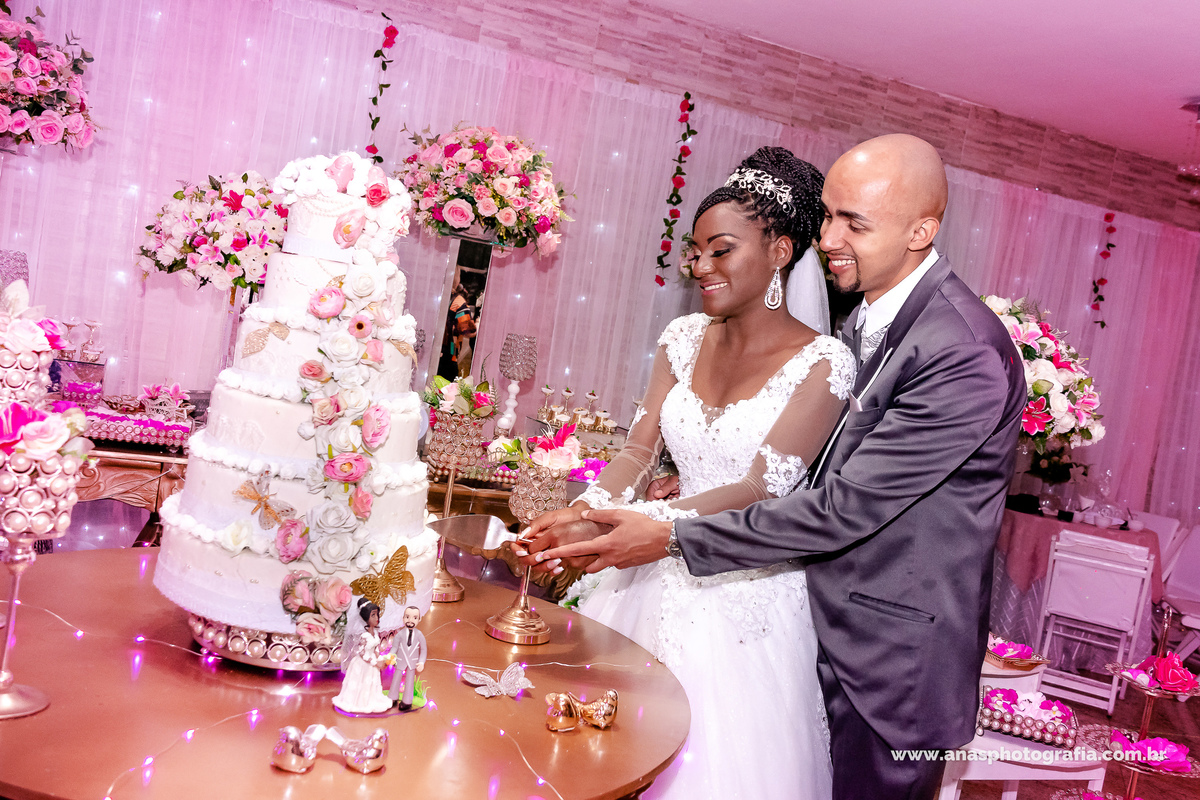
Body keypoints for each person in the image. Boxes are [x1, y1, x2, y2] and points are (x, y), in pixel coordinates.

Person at [534, 134, 1028, 800]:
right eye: (827, 216)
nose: (827, 239)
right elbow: (809, 462)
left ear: (922, 229)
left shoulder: (960, 350)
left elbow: (847, 508)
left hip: (890, 672)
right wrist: (690, 483)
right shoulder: (861, 322)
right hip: (813, 631)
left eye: (855, 222)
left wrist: (672, 532)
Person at [520, 147, 856, 799]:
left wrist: (644, 521)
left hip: (744, 594)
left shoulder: (826, 364)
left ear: (782, 252)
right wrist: (584, 512)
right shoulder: (682, 338)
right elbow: (637, 452)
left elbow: (764, 488)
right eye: (695, 251)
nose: (699, 266)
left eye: (720, 249)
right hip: (643, 571)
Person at [332, 598, 392, 715]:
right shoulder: (364, 636)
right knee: (361, 684)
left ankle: (369, 700)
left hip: (372, 663)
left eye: (377, 615)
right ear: (366, 618)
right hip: (363, 664)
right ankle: (359, 702)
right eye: (373, 615)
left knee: (371, 685)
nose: (376, 618)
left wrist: (380, 658)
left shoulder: (375, 633)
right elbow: (362, 653)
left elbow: (375, 648)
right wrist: (375, 662)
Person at [388, 605, 427, 710]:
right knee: (396, 679)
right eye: (407, 617)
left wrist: (422, 662)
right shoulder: (399, 634)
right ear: (403, 618)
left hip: (413, 662)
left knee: (409, 681)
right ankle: (392, 697)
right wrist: (391, 655)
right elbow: (394, 647)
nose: (410, 620)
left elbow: (423, 650)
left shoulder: (420, 635)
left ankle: (407, 701)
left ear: (419, 619)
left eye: (414, 618)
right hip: (400, 660)